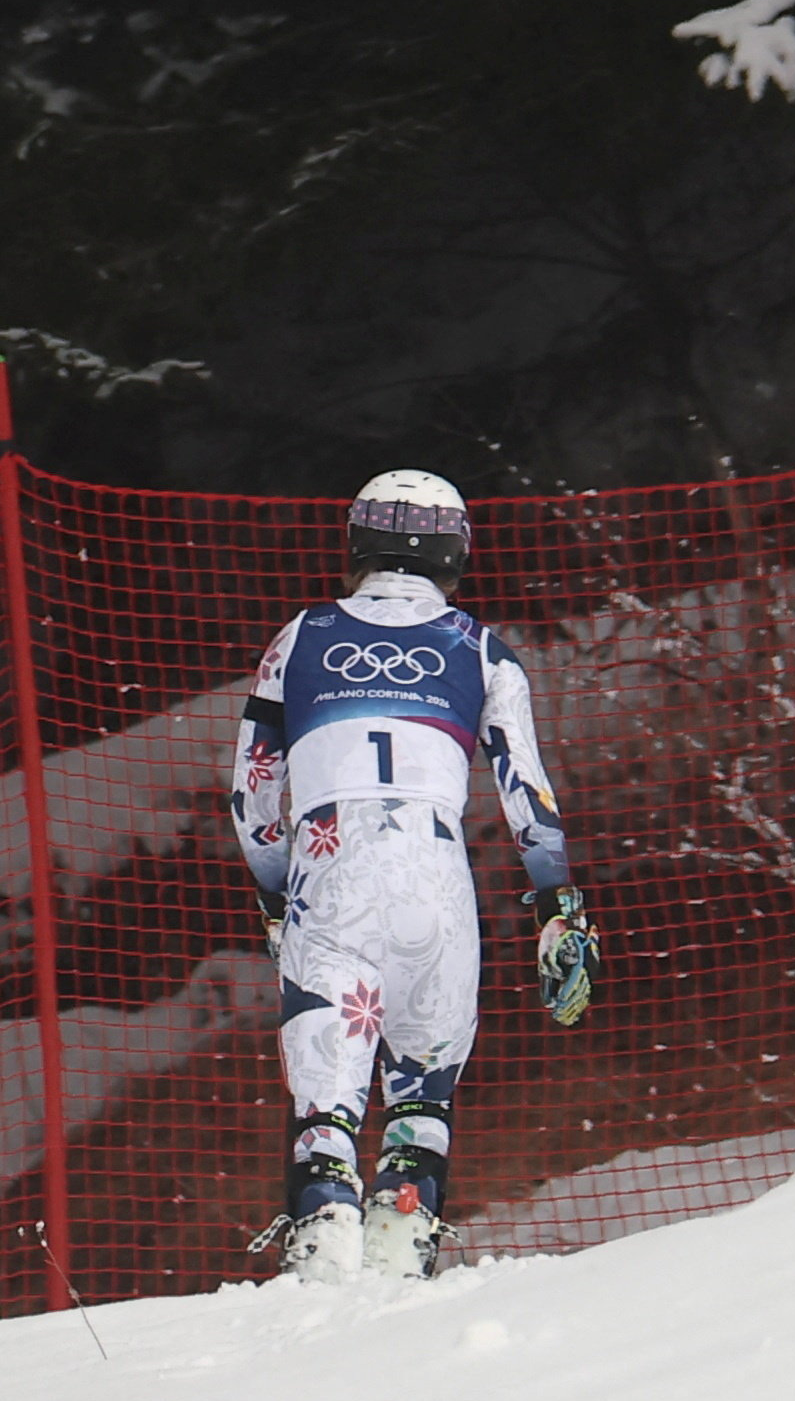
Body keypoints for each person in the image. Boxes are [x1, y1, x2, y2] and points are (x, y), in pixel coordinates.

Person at [228, 468, 595, 1285]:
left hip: (329, 871)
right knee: (421, 1097)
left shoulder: (300, 635)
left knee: (326, 1109)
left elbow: (250, 797)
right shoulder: (481, 648)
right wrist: (559, 910)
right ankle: (404, 1231)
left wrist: (275, 898)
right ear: (456, 553)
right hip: (435, 878)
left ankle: (322, 1230)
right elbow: (527, 798)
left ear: (358, 543)